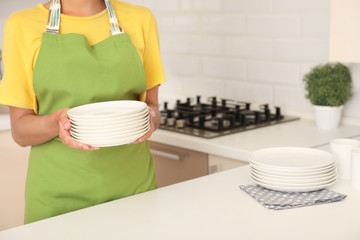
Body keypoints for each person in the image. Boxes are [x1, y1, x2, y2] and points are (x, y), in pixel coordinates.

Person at [0, 0, 166, 223]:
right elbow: (20, 131)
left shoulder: (141, 19)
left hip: (134, 191)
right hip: (58, 199)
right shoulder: (21, 25)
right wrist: (57, 122)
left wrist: (150, 120)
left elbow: (152, 109)